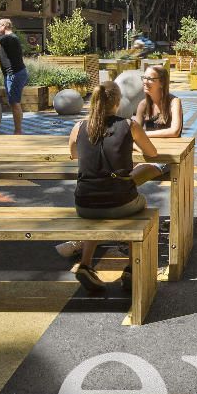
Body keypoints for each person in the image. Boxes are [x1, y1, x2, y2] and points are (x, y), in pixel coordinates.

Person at [67, 79, 169, 289]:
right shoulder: (129, 125)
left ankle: (85, 264)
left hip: (84, 204)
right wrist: (130, 147)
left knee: (97, 215)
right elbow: (152, 153)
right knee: (136, 206)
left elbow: (74, 153)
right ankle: (131, 268)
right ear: (117, 102)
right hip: (120, 202)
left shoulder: (79, 126)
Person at [136, 64, 184, 137]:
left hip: (171, 144)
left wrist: (143, 134)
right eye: (144, 78)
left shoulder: (174, 102)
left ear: (162, 83)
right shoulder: (143, 104)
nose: (145, 82)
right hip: (150, 144)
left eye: (150, 79)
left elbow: (175, 131)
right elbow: (135, 132)